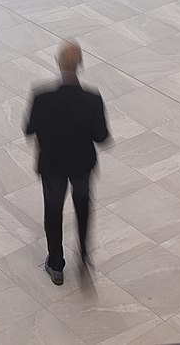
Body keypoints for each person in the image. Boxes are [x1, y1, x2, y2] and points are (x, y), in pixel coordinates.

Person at [23, 41, 110, 286]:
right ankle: (83, 259)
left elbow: (29, 129)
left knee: (53, 211)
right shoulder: (92, 99)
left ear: (58, 63)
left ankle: (57, 265)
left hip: (52, 165)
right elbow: (102, 137)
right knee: (83, 209)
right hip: (81, 164)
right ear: (80, 64)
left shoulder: (42, 97)